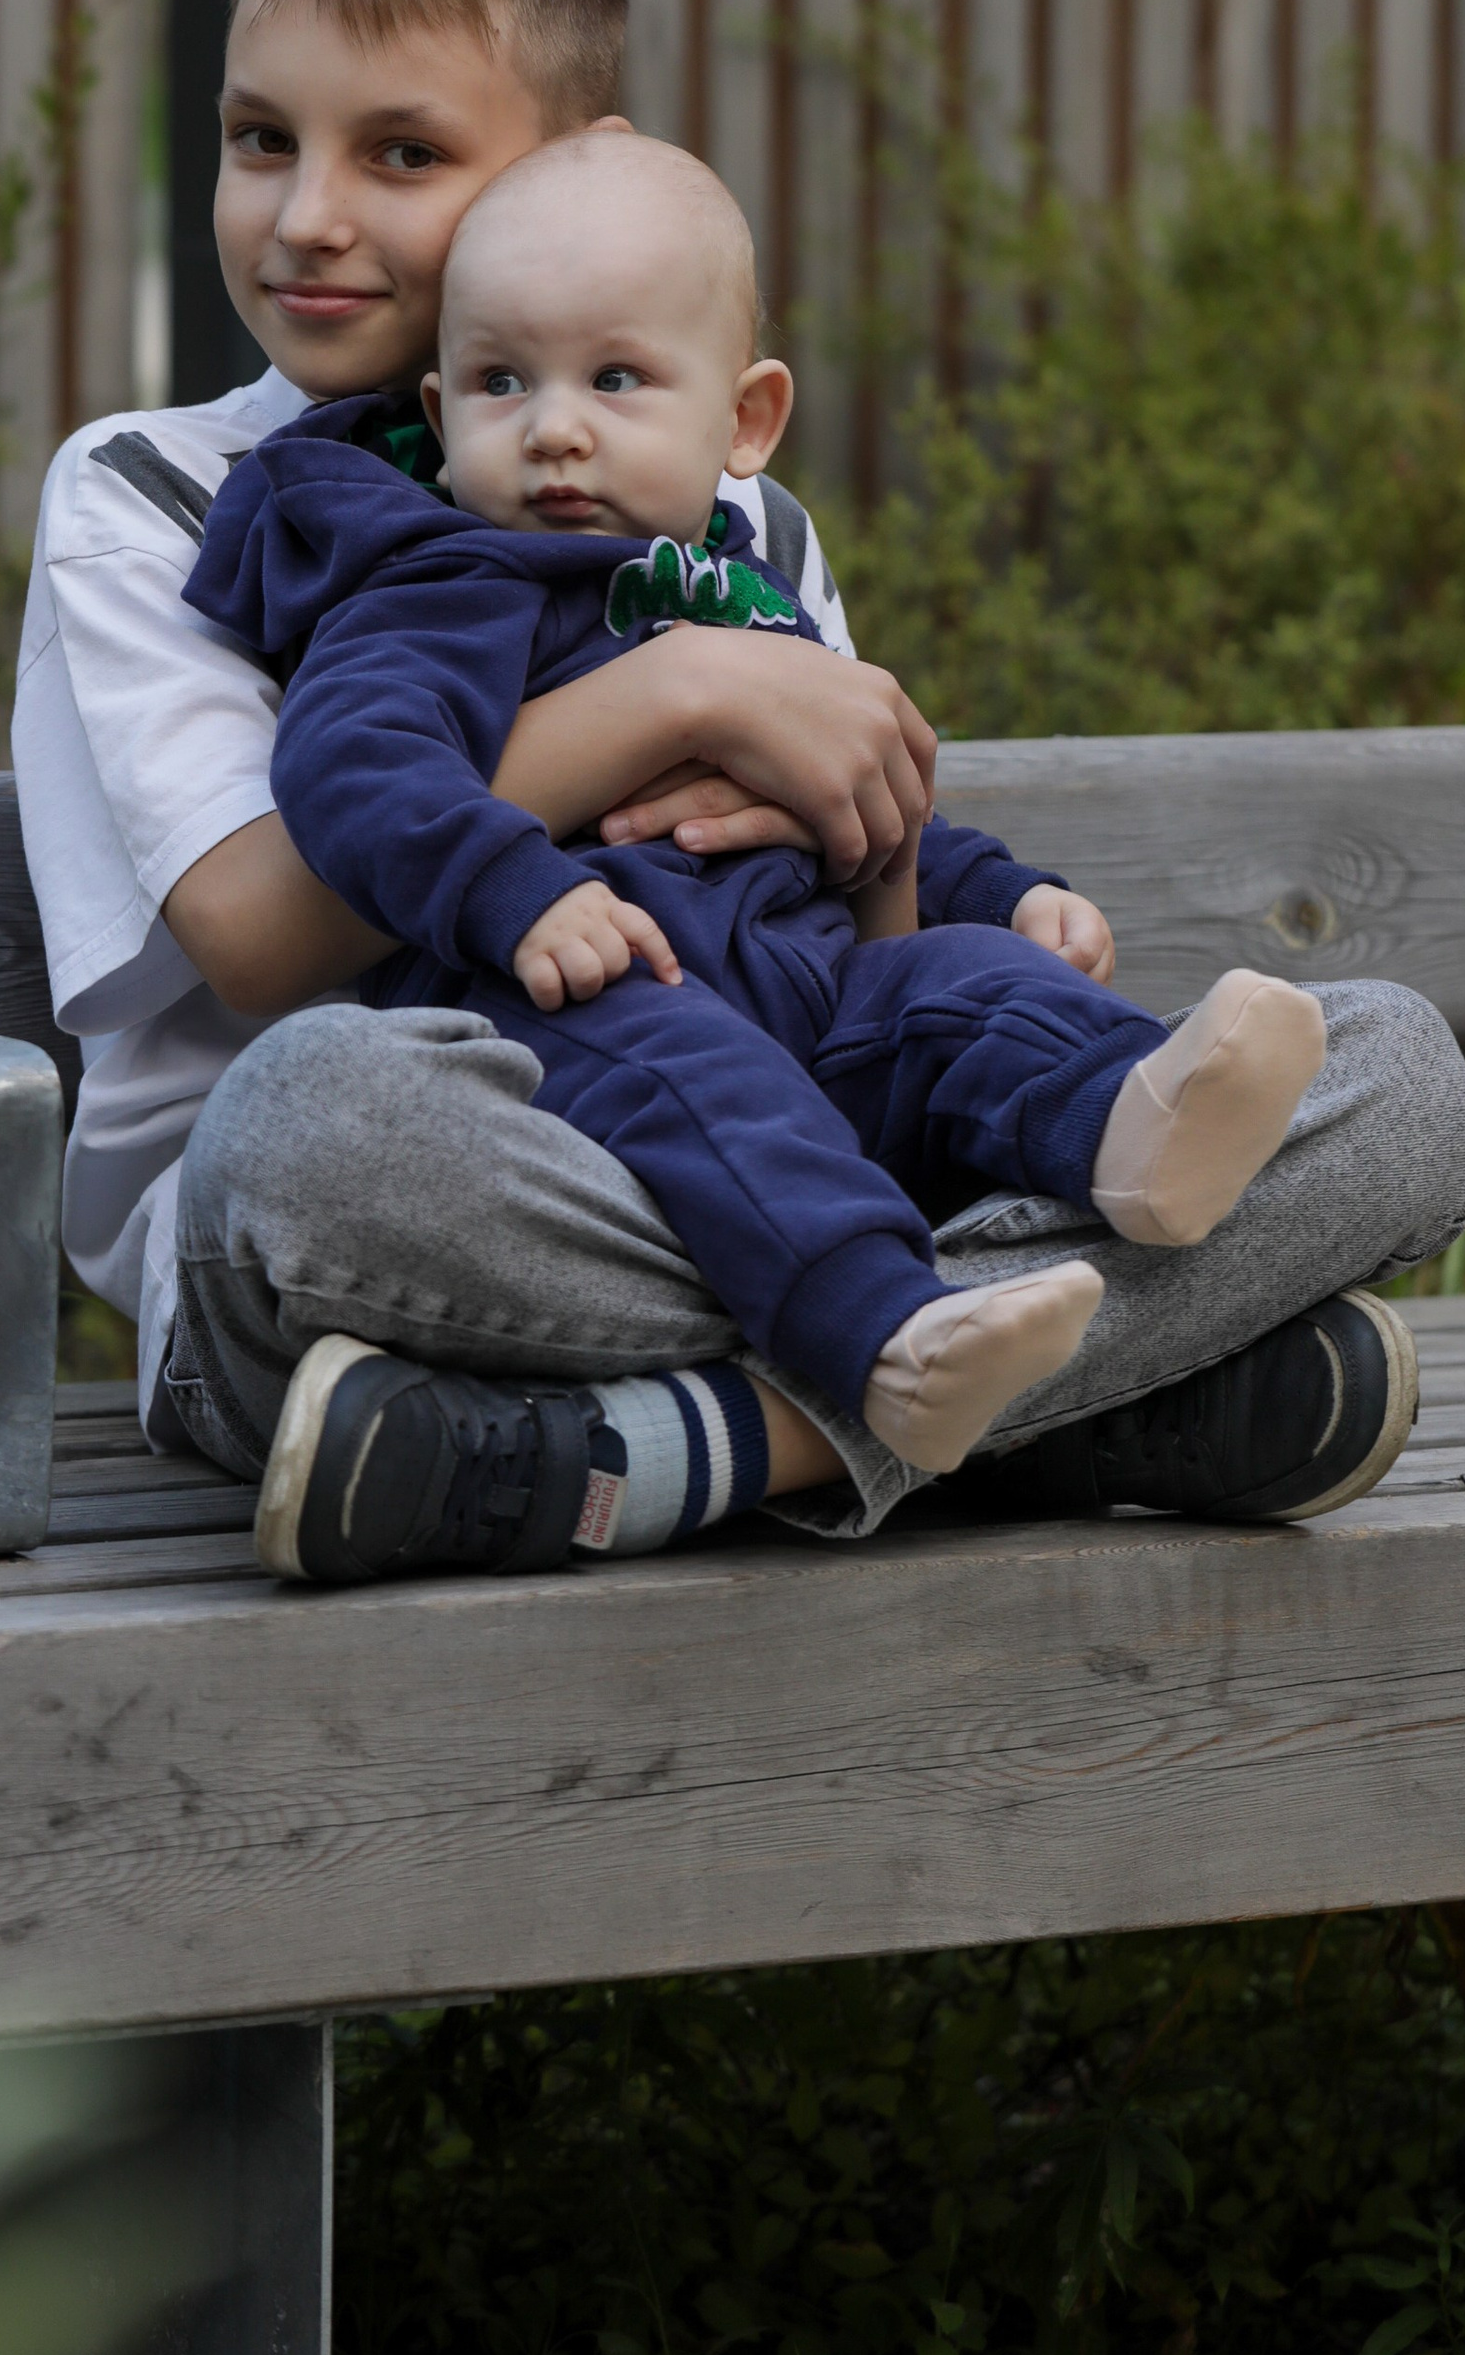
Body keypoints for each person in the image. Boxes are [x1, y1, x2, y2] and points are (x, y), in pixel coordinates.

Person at [10, 0, 1465, 1577]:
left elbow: (865, 910)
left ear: (584, 165)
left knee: (1402, 1080)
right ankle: (1054, 1403)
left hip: (766, 1132)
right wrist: (679, 690)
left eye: (402, 151)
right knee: (317, 1115)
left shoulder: (732, 506)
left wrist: (964, 897)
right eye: (262, 141)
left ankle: (698, 1438)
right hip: (398, 1226)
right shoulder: (163, 497)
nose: (309, 214)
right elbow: (255, 942)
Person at [181, 130, 1340, 1575]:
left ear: (747, 421)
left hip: (810, 1002)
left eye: (613, 380)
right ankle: (913, 1346)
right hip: (598, 1007)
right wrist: (515, 885)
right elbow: (355, 769)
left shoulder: (753, 584)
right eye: (500, 384)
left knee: (1001, 996)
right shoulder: (443, 579)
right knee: (569, 1092)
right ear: (439, 403)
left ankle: (1132, 1135)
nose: (553, 429)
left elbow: (862, 823)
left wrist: (1009, 894)